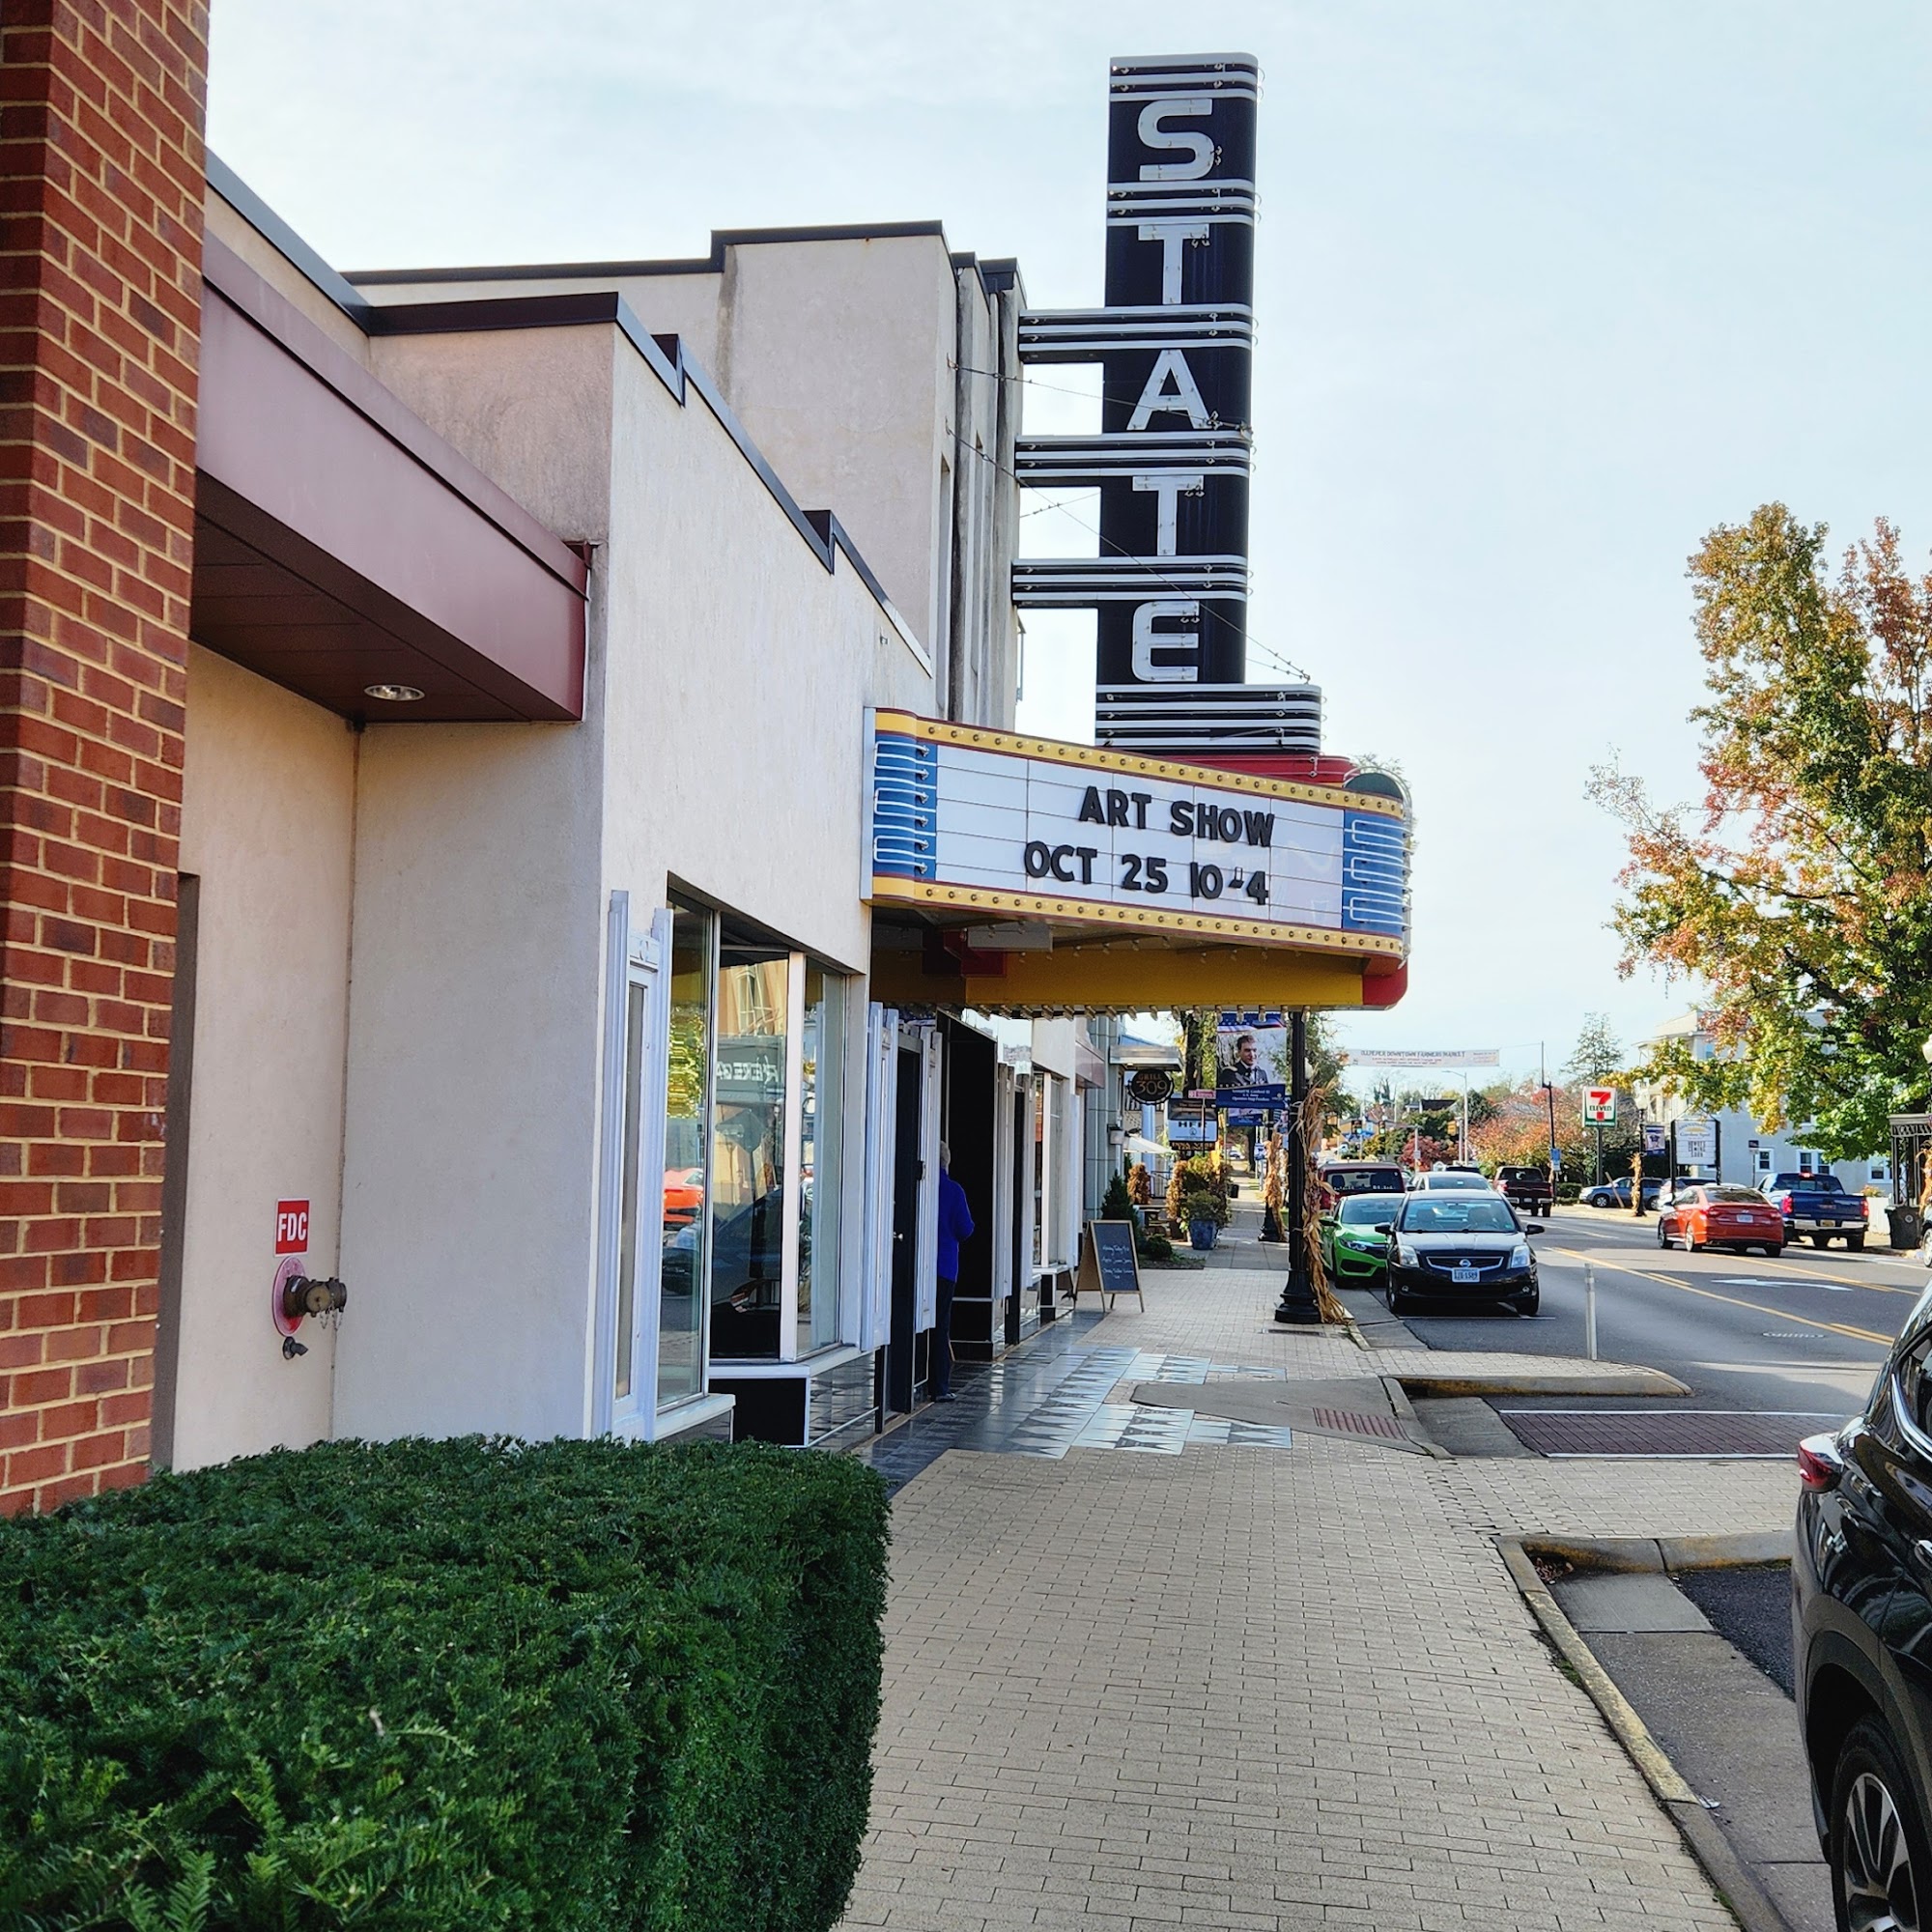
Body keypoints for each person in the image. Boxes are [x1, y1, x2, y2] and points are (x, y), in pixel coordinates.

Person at [932, 1143, 975, 1402]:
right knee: (940, 1326)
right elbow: (965, 1229)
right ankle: (939, 1387)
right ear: (946, 1162)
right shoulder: (953, 1190)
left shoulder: (917, 1186)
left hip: (913, 1267)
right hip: (944, 1268)